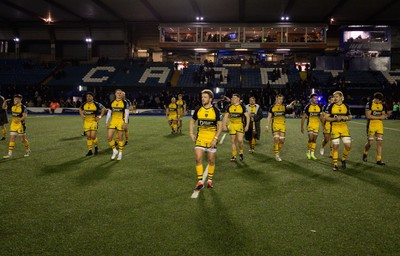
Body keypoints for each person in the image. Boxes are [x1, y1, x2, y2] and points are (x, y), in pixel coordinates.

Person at [189, 89, 222, 190]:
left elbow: (220, 126)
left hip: (211, 139)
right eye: (202, 97)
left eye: (205, 97)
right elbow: (192, 121)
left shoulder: (216, 111)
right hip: (200, 139)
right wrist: (191, 133)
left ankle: (210, 180)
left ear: (210, 99)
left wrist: (215, 139)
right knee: (198, 158)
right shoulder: (199, 110)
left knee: (211, 161)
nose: (203, 99)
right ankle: (200, 181)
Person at [324, 91, 352, 171]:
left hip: (344, 128)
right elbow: (326, 118)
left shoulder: (346, 106)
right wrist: (335, 119)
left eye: (336, 96)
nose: (335, 98)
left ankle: (343, 159)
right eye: (334, 96)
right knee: (335, 146)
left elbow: (350, 116)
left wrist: (346, 118)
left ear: (341, 97)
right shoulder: (331, 106)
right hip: (335, 128)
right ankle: (335, 164)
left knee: (348, 146)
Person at [265, 94, 296, 161]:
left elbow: (288, 107)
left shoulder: (284, 106)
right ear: (276, 99)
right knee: (276, 139)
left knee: (282, 141)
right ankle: (276, 154)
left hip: (282, 125)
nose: (280, 100)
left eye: (281, 99)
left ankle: (276, 150)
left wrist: (291, 104)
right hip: (275, 125)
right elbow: (269, 117)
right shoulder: (272, 107)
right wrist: (267, 126)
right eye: (279, 99)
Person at [222, 94, 250, 161]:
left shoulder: (242, 106)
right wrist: (224, 125)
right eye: (232, 98)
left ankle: (241, 152)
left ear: (238, 99)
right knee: (233, 141)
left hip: (239, 125)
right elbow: (226, 116)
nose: (233, 99)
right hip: (232, 125)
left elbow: (248, 117)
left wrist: (247, 126)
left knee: (240, 140)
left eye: (234, 98)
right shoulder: (229, 106)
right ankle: (234, 155)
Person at [363, 92, 388, 165]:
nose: (380, 101)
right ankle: (365, 152)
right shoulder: (369, 104)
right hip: (371, 125)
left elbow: (384, 114)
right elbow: (368, 116)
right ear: (376, 99)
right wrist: (380, 117)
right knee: (370, 143)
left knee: (379, 143)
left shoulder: (382, 105)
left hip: (379, 125)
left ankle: (379, 160)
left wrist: (383, 116)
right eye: (379, 100)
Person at [2, 94, 31, 158]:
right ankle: (9, 154)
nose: (15, 100)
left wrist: (19, 120)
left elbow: (25, 116)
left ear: (20, 100)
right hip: (13, 125)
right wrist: (5, 101)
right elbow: (4, 107)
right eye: (14, 99)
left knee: (22, 140)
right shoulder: (12, 106)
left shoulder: (23, 107)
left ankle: (28, 150)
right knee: (12, 139)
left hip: (20, 125)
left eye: (16, 99)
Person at [79, 92, 107, 156]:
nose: (88, 97)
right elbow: (80, 109)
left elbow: (104, 109)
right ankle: (90, 151)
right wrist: (82, 115)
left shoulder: (96, 104)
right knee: (88, 137)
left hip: (94, 122)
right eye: (87, 96)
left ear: (92, 97)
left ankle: (96, 147)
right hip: (86, 122)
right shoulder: (84, 104)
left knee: (93, 136)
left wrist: (100, 116)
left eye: (90, 96)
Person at [105, 89, 129, 160]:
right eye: (118, 93)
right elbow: (109, 112)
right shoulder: (112, 102)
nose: (119, 94)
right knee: (109, 137)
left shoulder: (125, 103)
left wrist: (125, 122)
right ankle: (114, 150)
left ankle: (120, 153)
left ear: (122, 94)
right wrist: (107, 122)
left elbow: (127, 113)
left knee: (120, 138)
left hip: (120, 121)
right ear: (115, 94)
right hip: (113, 122)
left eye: (120, 93)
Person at [301, 93, 322, 160]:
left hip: (316, 125)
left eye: (316, 98)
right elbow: (303, 117)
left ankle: (312, 154)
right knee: (310, 138)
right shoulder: (307, 107)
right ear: (311, 99)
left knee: (314, 139)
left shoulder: (319, 107)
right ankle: (308, 152)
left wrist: (323, 125)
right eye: (314, 98)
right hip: (310, 125)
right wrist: (302, 127)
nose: (316, 99)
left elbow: (321, 117)